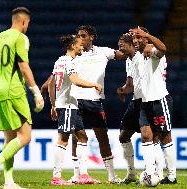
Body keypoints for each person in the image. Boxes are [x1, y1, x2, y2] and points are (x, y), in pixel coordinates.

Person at [0, 7, 44, 189]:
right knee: (25, 136)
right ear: (24, 22)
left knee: (10, 138)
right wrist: (36, 92)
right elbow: (23, 67)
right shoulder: (21, 38)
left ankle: (9, 182)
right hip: (13, 92)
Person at [68, 25, 126, 184]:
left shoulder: (104, 52)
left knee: (103, 138)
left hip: (95, 101)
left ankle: (112, 176)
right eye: (78, 35)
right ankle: (77, 175)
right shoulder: (73, 54)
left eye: (84, 35)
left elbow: (123, 54)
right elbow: (61, 70)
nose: (80, 38)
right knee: (77, 138)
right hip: (75, 100)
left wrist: (135, 47)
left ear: (92, 37)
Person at [48, 34, 102, 185]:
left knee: (82, 136)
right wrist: (94, 84)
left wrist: (53, 104)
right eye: (79, 44)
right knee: (63, 139)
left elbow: (51, 84)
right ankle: (56, 177)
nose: (82, 46)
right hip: (66, 106)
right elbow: (75, 80)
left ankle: (83, 175)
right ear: (72, 46)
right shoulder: (69, 62)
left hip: (70, 105)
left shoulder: (59, 61)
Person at [129, 27, 177, 184]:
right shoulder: (138, 56)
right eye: (134, 38)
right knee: (146, 136)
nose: (135, 40)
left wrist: (148, 36)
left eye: (139, 37)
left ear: (146, 39)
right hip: (145, 103)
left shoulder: (154, 52)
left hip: (159, 100)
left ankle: (171, 176)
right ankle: (149, 173)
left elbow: (164, 49)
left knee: (165, 137)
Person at [117, 27, 164, 184]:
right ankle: (131, 173)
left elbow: (157, 52)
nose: (119, 48)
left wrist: (148, 44)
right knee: (123, 136)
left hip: (147, 101)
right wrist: (124, 90)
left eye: (121, 44)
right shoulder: (129, 60)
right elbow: (131, 84)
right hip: (135, 101)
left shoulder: (142, 55)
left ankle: (157, 173)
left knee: (151, 137)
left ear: (130, 44)